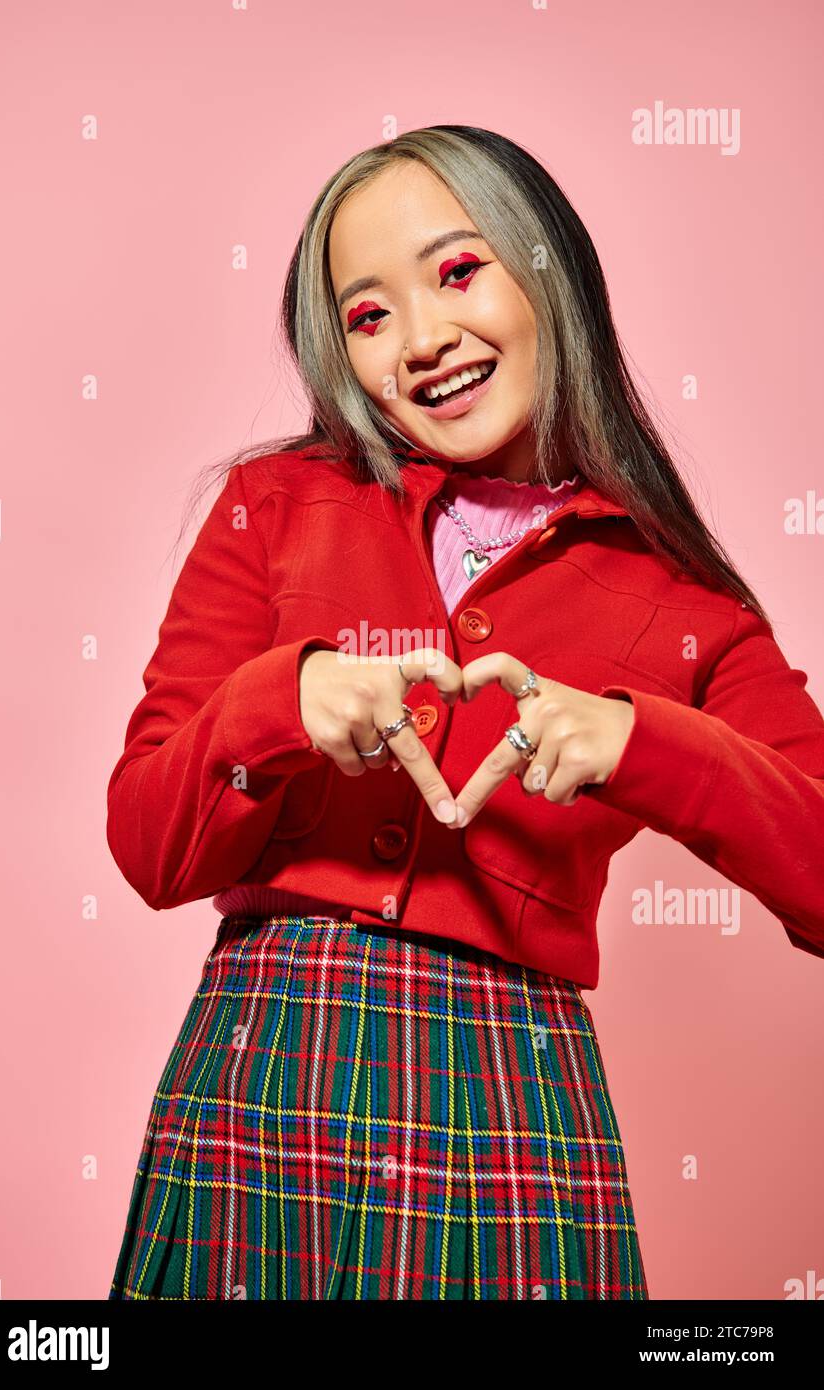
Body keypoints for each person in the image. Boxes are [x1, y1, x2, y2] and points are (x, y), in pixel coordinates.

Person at [106, 126, 824, 1300]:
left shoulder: (683, 599)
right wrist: (272, 706)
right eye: (367, 315)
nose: (424, 341)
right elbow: (145, 843)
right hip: (263, 1068)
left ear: (551, 274)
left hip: (509, 1091)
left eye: (456, 272)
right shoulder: (271, 506)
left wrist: (643, 741)